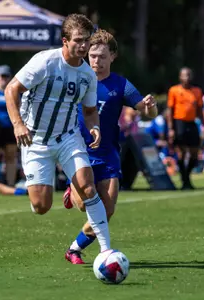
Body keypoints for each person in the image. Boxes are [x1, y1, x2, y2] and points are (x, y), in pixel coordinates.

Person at [4, 14, 112, 254]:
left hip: (67, 137)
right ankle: (60, 192)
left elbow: (90, 110)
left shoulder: (87, 74)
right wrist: (18, 124)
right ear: (65, 41)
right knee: (41, 206)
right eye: (78, 41)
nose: (84, 46)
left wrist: (94, 126)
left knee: (88, 191)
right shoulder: (45, 62)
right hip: (35, 140)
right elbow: (11, 89)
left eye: (86, 41)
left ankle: (106, 251)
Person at [61, 29, 157, 264]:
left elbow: (147, 113)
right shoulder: (76, 79)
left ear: (113, 56)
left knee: (107, 209)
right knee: (84, 205)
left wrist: (149, 106)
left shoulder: (121, 85)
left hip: (108, 153)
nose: (97, 61)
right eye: (93, 56)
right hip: (78, 150)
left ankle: (74, 249)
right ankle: (71, 190)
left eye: (102, 56)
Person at [166, 67, 204, 189]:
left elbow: (200, 110)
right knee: (181, 153)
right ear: (180, 77)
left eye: (188, 75)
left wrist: (203, 126)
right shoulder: (174, 90)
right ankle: (185, 181)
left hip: (191, 123)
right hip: (179, 123)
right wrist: (171, 128)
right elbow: (170, 110)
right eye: (184, 75)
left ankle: (186, 176)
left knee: (194, 152)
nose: (186, 78)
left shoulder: (197, 91)